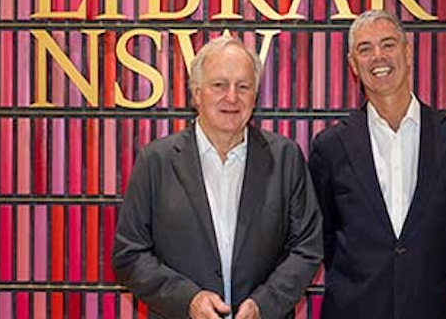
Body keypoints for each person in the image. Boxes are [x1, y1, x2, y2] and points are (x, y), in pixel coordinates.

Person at [112, 35, 323, 319]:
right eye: (219, 85)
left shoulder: (286, 158)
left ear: (255, 96)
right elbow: (129, 255)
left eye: (244, 86)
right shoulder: (156, 161)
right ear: (197, 92)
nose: (232, 97)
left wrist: (264, 304)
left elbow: (306, 247)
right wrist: (188, 300)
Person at [308, 9, 446, 319]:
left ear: (408, 51)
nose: (378, 56)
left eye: (388, 44)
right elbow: (324, 236)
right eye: (365, 49)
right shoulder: (329, 147)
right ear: (353, 64)